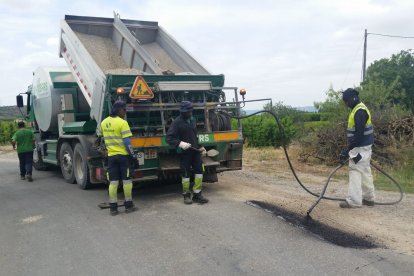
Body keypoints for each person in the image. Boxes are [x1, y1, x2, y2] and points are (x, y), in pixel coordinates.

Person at [166, 101, 209, 205]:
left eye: (190, 112)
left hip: (195, 152)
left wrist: (200, 147)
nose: (188, 113)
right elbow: (169, 138)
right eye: (186, 112)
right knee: (185, 174)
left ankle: (197, 194)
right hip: (184, 153)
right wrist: (180, 143)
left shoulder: (193, 120)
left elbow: (194, 135)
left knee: (199, 172)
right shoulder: (177, 122)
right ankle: (186, 195)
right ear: (182, 112)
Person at [339, 88, 375, 208]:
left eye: (346, 101)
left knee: (354, 170)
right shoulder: (360, 108)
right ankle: (369, 199)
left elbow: (359, 135)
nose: (346, 104)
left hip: (359, 149)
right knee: (365, 171)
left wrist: (347, 150)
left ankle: (354, 201)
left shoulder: (359, 112)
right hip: (364, 148)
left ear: (352, 98)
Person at [101, 101, 138, 216]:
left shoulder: (103, 122)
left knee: (113, 182)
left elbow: (103, 139)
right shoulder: (122, 123)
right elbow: (127, 143)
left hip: (111, 157)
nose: (125, 112)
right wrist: (134, 156)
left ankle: (113, 208)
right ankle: (128, 206)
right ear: (119, 110)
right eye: (124, 110)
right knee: (127, 181)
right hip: (123, 157)